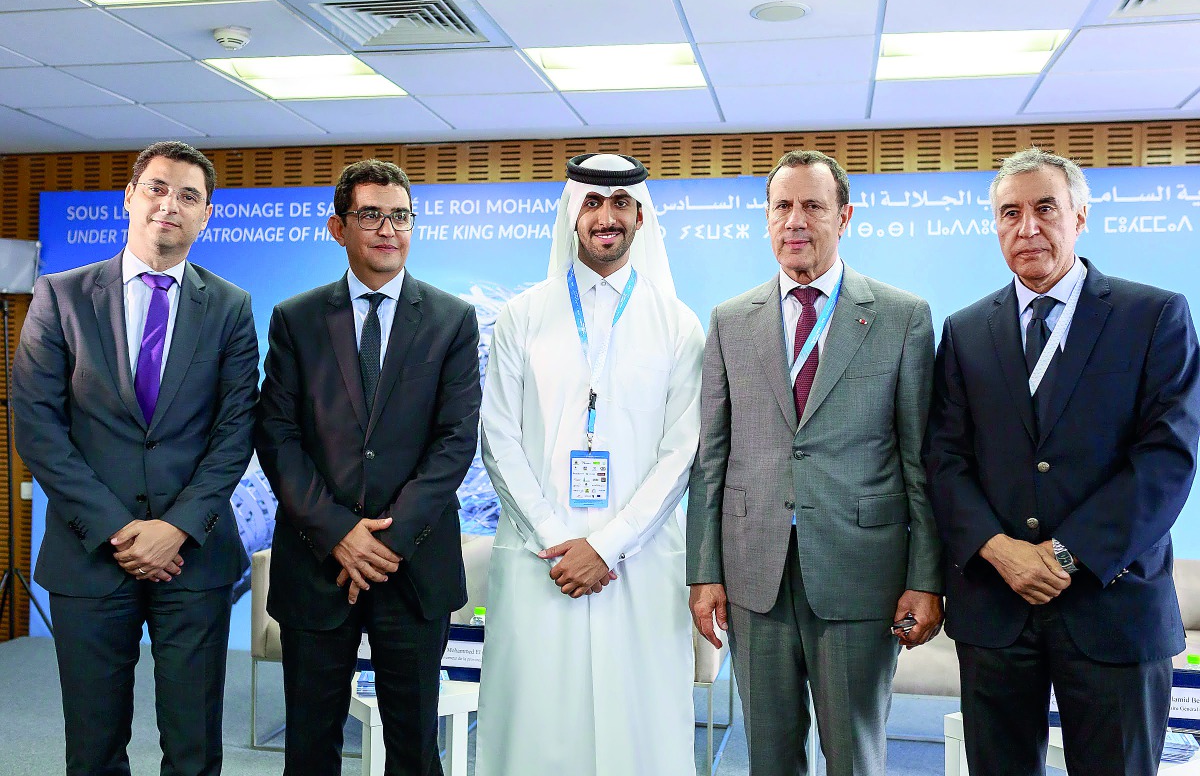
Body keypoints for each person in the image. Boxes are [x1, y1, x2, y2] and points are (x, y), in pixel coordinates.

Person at [924, 147, 1200, 776]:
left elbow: (1166, 459)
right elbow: (945, 458)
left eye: (1045, 209)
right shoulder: (967, 331)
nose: (1027, 228)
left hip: (1113, 608)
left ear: (1080, 216)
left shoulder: (1153, 316)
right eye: (1009, 213)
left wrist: (1064, 554)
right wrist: (1001, 550)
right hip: (997, 610)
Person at [687, 150, 943, 776]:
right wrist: (704, 571)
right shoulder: (728, 322)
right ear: (767, 218)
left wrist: (927, 576)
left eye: (812, 206)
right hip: (755, 574)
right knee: (768, 757)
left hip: (862, 571)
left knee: (854, 755)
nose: (795, 221)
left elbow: (921, 463)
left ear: (844, 216)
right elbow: (711, 457)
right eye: (782, 207)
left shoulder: (902, 318)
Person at [12, 140, 259, 776]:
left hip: (193, 558)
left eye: (188, 196)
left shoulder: (231, 307)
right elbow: (39, 428)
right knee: (92, 746)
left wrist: (174, 528)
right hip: (90, 551)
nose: (169, 205)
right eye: (156, 188)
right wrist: (122, 531)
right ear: (129, 197)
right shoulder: (60, 296)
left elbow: (235, 432)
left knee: (193, 744)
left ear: (206, 215)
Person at [476, 153, 704, 776]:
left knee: (641, 726)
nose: (607, 218)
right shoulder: (524, 315)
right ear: (572, 215)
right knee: (538, 722)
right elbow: (497, 435)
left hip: (640, 561)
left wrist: (606, 546)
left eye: (621, 204)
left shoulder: (678, 324)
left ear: (640, 217)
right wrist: (557, 538)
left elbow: (682, 449)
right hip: (541, 560)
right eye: (593, 203)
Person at [255, 159, 481, 776]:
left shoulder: (451, 320)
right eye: (371, 215)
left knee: (413, 749)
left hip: (412, 565)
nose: (388, 229)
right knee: (310, 747)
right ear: (338, 227)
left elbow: (455, 441)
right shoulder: (296, 319)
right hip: (316, 562)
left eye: (400, 216)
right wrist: (339, 535)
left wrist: (386, 543)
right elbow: (277, 435)